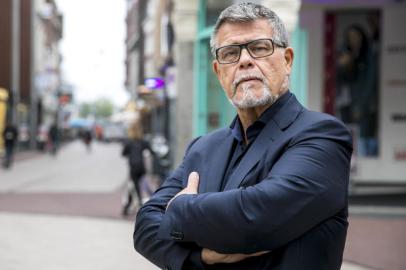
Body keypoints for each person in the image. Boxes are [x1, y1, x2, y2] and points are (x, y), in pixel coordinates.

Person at [134, 3, 353, 270]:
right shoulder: (203, 148)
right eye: (230, 53)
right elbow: (145, 225)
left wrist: (180, 208)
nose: (245, 60)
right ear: (218, 72)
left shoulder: (322, 136)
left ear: (287, 60)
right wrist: (199, 257)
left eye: (260, 48)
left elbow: (255, 218)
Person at [121, 121, 153, 216]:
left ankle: (140, 206)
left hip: (133, 167)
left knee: (134, 186)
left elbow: (123, 153)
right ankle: (127, 207)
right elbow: (151, 151)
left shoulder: (128, 142)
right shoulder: (143, 141)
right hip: (142, 167)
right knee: (135, 186)